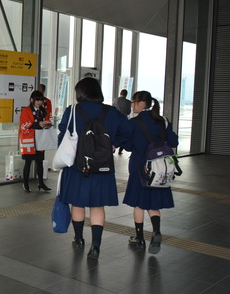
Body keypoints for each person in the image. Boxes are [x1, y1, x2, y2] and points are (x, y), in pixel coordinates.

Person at [57, 77, 130, 260]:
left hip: (77, 166)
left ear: (80, 92)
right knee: (97, 206)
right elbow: (128, 129)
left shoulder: (72, 110)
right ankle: (96, 245)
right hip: (102, 165)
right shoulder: (111, 112)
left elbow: (63, 135)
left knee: (78, 203)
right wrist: (114, 144)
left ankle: (79, 238)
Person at [123, 91, 178, 254]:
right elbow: (174, 141)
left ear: (141, 103)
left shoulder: (134, 122)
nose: (132, 105)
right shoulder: (163, 121)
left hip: (140, 166)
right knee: (153, 203)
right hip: (159, 167)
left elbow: (127, 146)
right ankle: (157, 231)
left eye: (133, 102)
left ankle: (139, 239)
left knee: (139, 204)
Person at [19, 90, 52, 193]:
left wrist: (47, 124)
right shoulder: (26, 111)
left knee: (40, 162)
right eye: (37, 100)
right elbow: (24, 125)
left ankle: (41, 183)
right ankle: (26, 184)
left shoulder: (43, 111)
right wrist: (38, 124)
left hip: (40, 139)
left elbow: (46, 120)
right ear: (32, 100)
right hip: (29, 140)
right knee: (28, 163)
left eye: (41, 100)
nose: (39, 102)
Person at [112, 89, 132, 154]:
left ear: (120, 93)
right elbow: (128, 112)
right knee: (123, 134)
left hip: (115, 120)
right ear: (126, 94)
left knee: (115, 133)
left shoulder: (115, 100)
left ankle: (113, 148)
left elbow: (112, 109)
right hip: (124, 120)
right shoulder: (128, 102)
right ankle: (120, 150)